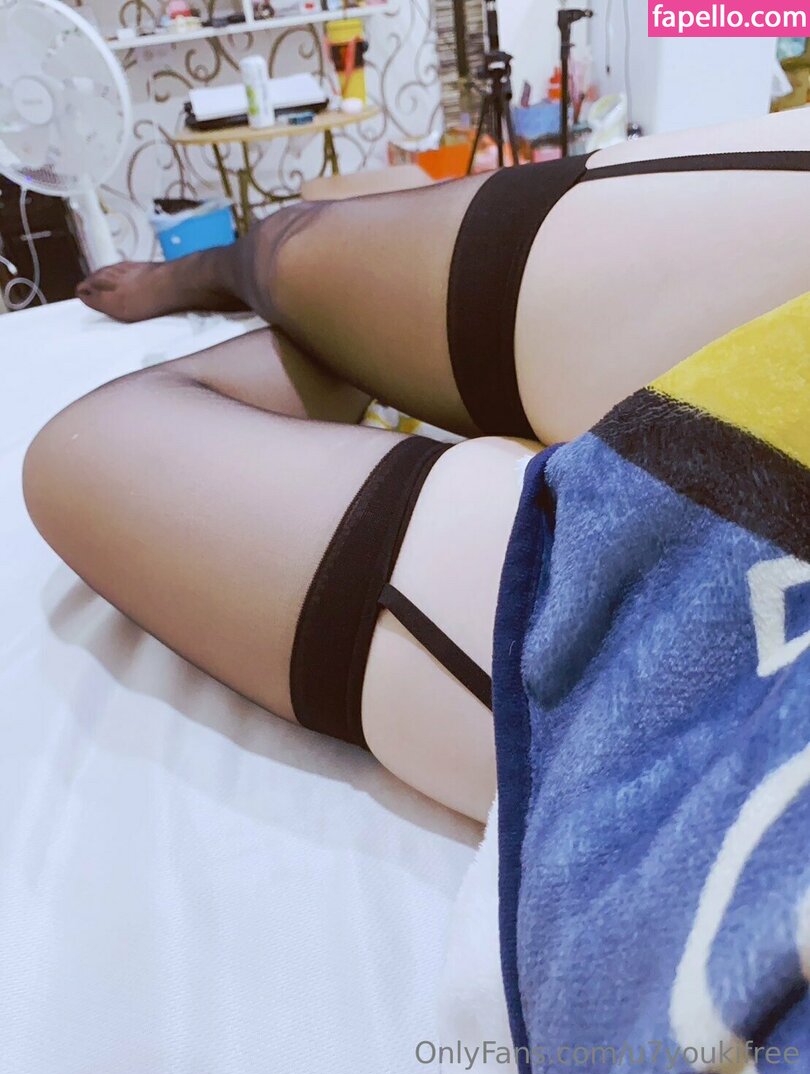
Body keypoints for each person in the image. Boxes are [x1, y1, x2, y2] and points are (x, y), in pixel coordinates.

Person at [22, 108, 810, 823]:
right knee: (294, 254)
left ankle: (329, 334)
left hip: (742, 666)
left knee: (111, 426)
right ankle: (245, 282)